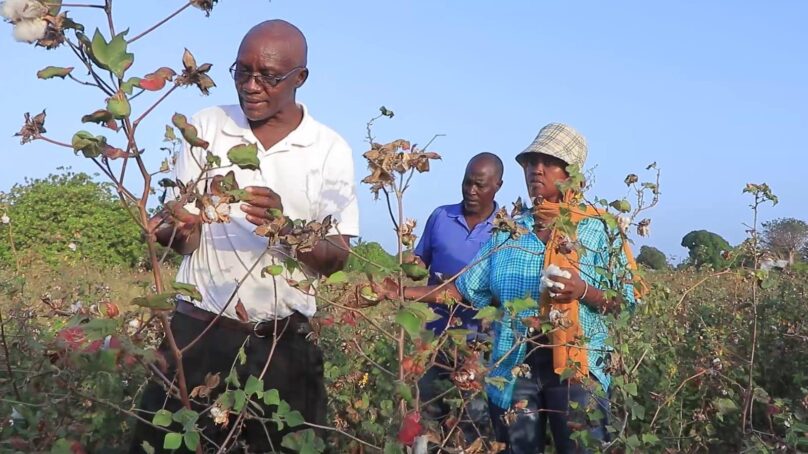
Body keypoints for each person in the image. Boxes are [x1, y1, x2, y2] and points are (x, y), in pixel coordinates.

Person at [130, 20, 359, 453]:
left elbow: (337, 259)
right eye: (242, 71)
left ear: (300, 78)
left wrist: (284, 228)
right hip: (199, 332)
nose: (251, 86)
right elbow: (185, 240)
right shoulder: (207, 127)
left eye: (268, 76)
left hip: (283, 345)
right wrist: (175, 229)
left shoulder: (329, 150)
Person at [378, 123, 640, 453]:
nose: (536, 170)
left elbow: (626, 302)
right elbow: (462, 290)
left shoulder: (599, 229)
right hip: (515, 367)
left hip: (577, 370)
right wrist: (399, 293)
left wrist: (583, 291)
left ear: (572, 173)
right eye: (531, 162)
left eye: (548, 162)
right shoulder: (510, 231)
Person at [413, 152, 503, 444]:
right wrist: (408, 267)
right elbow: (420, 262)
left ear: (497, 186)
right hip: (434, 338)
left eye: (479, 185)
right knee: (428, 417)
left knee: (472, 422)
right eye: (467, 183)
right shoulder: (441, 216)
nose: (471, 191)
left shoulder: (506, 230)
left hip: (479, 345)